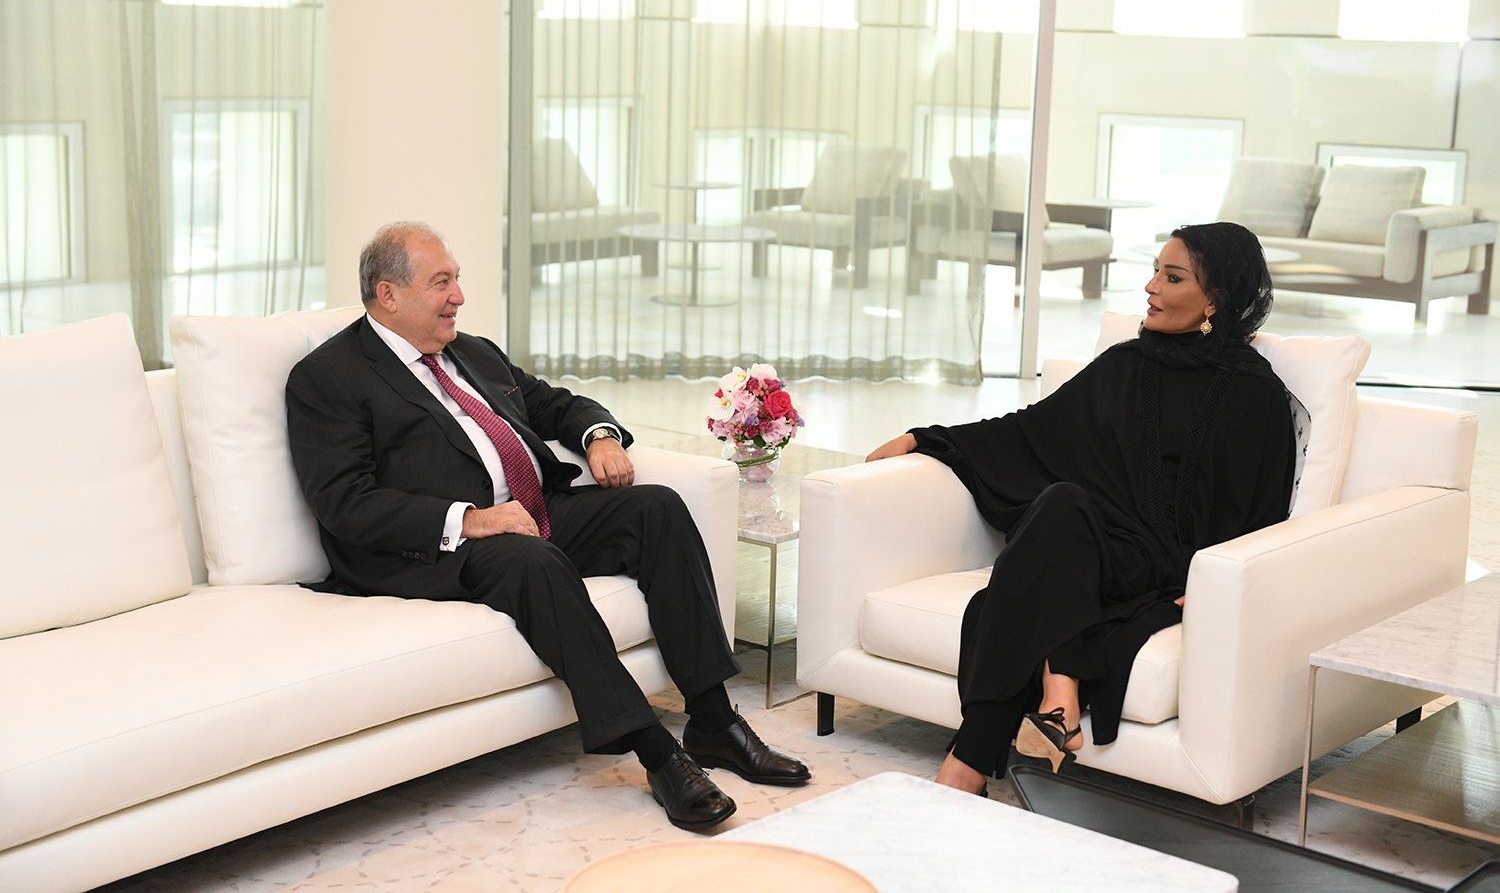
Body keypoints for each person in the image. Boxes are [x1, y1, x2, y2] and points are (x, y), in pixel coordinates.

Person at [285, 221, 809, 829]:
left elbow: (555, 404)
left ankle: (715, 721)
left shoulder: (471, 351)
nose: (458, 296)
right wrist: (471, 520)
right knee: (531, 560)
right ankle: (659, 754)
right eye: (441, 282)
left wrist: (599, 437)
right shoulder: (329, 376)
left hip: (528, 512)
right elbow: (343, 502)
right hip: (431, 547)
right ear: (388, 294)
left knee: (656, 508)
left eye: (457, 279)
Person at [867, 222, 1297, 793]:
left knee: (1015, 585)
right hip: (1100, 547)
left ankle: (973, 759)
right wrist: (924, 440)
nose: (1151, 287)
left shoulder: (1255, 393)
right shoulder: (1126, 364)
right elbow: (1030, 431)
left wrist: (1216, 580)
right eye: (1154, 272)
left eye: (1172, 278)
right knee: (1061, 506)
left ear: (1215, 299)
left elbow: (1264, 508)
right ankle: (1057, 699)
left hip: (1170, 563)